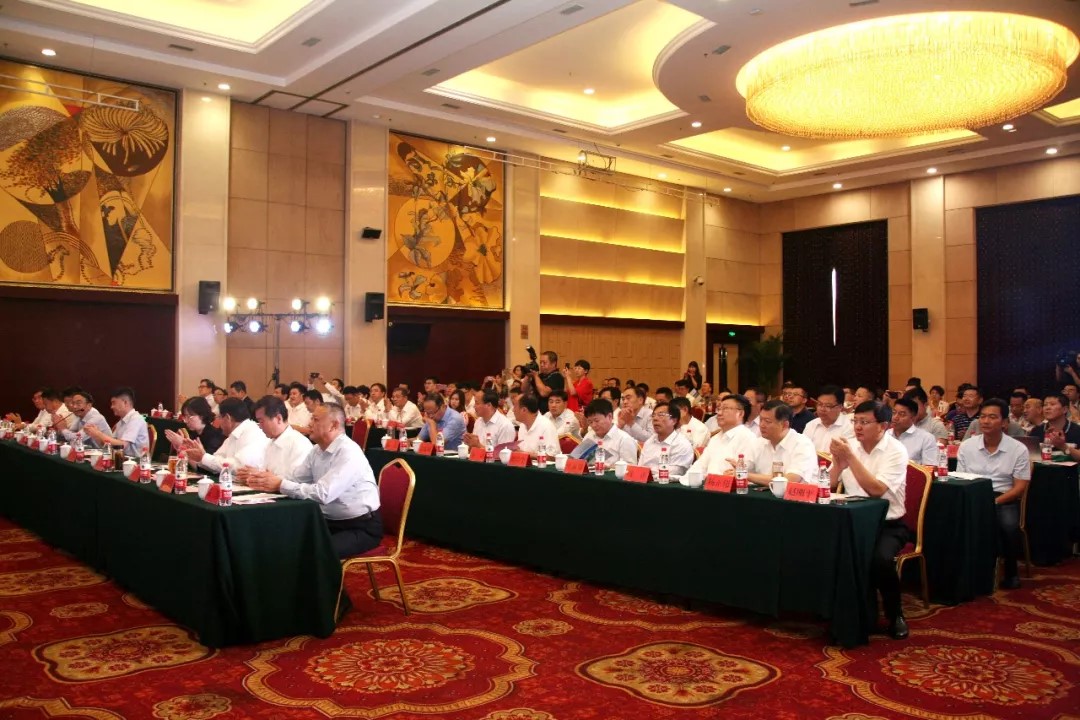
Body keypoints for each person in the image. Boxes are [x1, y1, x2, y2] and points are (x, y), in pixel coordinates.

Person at [246, 403, 382, 558]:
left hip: (359, 526)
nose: (310, 424)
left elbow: (323, 493)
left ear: (334, 425)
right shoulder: (317, 450)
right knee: (282, 539)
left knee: (313, 552)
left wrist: (279, 484)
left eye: (316, 420)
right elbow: (295, 478)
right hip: (327, 521)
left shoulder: (348, 452)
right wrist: (266, 479)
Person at [828, 401, 910, 640]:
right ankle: (838, 613)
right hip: (851, 520)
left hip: (887, 524)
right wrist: (838, 464)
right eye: (855, 421)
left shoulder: (896, 450)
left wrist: (850, 459)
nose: (857, 427)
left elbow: (876, 490)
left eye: (864, 422)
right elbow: (829, 484)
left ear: (883, 426)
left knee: (880, 560)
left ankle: (895, 615)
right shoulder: (849, 445)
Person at [956, 398, 1031, 589]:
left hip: (1004, 497)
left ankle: (1011, 573)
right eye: (982, 417)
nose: (985, 421)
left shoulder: (1018, 449)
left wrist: (994, 502)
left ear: (1005, 422)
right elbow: (960, 478)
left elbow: (1019, 487)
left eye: (992, 417)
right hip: (973, 495)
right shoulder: (967, 446)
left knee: (1008, 526)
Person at [181, 397, 269, 473]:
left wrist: (204, 457)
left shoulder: (252, 433)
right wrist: (201, 457)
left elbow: (238, 466)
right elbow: (217, 459)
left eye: (219, 417)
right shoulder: (232, 435)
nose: (218, 422)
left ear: (227, 418)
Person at [240, 395, 312, 481]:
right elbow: (266, 471)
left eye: (261, 421)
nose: (260, 426)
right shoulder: (270, 443)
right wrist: (254, 474)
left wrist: (259, 474)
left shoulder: (300, 444)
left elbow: (296, 480)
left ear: (278, 419)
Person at [745, 401, 818, 485]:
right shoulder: (758, 442)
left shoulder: (802, 444)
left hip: (797, 493)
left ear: (784, 425)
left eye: (767, 421)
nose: (762, 425)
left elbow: (791, 480)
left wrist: (745, 475)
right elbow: (744, 468)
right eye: (761, 420)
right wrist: (738, 469)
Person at [689, 394, 759, 476]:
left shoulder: (748, 438)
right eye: (719, 409)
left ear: (740, 413)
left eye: (725, 409)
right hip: (708, 482)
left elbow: (743, 474)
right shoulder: (715, 439)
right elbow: (699, 467)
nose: (719, 413)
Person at [84, 387, 150, 458]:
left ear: (125, 402)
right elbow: (110, 445)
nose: (111, 407)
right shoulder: (121, 421)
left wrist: (98, 433)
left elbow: (121, 445)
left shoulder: (136, 419)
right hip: (121, 459)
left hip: (136, 462)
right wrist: (95, 435)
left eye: (114, 403)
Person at [638, 401, 695, 476]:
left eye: (661, 415)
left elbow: (676, 472)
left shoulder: (682, 444)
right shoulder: (649, 441)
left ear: (674, 420)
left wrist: (647, 472)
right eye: (653, 415)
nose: (655, 418)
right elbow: (640, 467)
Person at [578, 399, 639, 464]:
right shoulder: (589, 435)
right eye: (590, 422)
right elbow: (579, 459)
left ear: (609, 417)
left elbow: (630, 466)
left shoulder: (624, 439)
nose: (593, 425)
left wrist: (610, 467)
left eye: (596, 421)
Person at [803, 385, 855, 453]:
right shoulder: (811, 425)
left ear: (840, 407)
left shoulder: (849, 428)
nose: (822, 409)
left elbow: (847, 454)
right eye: (820, 404)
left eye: (828, 406)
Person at [1029, 393, 1080, 462]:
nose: (1047, 408)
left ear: (1064, 409)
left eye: (1052, 404)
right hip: (1040, 468)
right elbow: (1029, 458)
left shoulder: (1077, 430)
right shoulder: (1036, 431)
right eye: (1045, 405)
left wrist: (1063, 446)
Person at [887, 398, 938, 466]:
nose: (895, 417)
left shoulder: (926, 438)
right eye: (894, 413)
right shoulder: (884, 435)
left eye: (902, 414)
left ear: (913, 418)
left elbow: (930, 468)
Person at [528, 350, 565, 415]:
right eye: (540, 362)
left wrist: (535, 376)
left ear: (553, 363)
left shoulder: (557, 376)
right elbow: (524, 390)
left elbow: (544, 393)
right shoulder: (540, 376)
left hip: (550, 413)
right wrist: (527, 376)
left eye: (544, 362)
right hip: (537, 412)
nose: (541, 365)